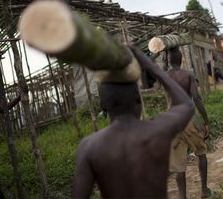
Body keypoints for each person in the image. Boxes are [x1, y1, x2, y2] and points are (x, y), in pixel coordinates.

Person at [73, 46, 194, 199]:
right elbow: (186, 104)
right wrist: (149, 65)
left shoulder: (89, 147)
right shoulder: (158, 130)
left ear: (103, 106)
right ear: (138, 100)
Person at [168, 48, 214, 199]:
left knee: (179, 166)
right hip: (189, 120)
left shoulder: (166, 76)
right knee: (201, 152)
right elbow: (196, 98)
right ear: (181, 60)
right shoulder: (188, 74)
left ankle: (182, 197)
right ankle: (204, 190)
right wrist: (206, 121)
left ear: (169, 60)